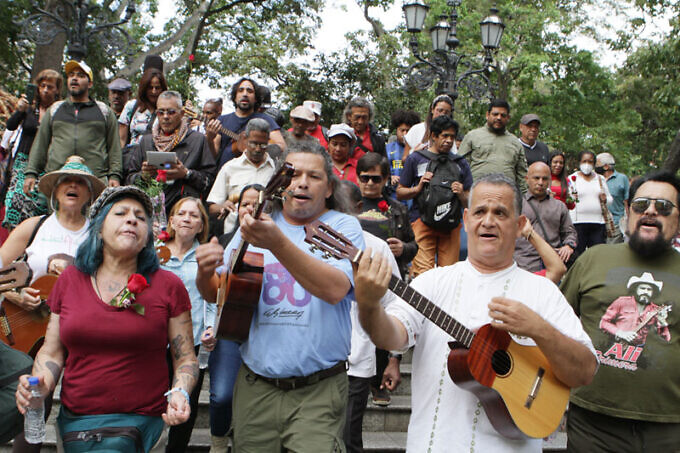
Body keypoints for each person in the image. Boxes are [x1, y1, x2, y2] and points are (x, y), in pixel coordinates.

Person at [354, 173, 598, 453]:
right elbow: (391, 337)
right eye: (480, 211)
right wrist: (369, 304)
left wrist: (539, 329)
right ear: (466, 220)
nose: (489, 221)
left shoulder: (542, 291)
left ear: (519, 226)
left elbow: (585, 372)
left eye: (500, 213)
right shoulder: (431, 282)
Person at [195, 144, 364, 452]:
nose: (301, 182)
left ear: (328, 188)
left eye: (313, 176)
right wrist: (204, 272)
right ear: (279, 184)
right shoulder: (255, 226)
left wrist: (276, 243)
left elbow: (335, 289)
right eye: (293, 174)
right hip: (255, 386)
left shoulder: (342, 226)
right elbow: (220, 292)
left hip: (319, 389)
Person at [15, 186, 198, 451]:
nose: (132, 219)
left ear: (148, 235)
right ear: (99, 228)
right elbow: (52, 352)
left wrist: (180, 392)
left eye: (141, 217)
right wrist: (41, 385)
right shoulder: (69, 280)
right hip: (77, 426)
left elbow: (185, 357)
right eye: (121, 213)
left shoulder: (169, 285)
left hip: (143, 425)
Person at [560, 171, 680, 452]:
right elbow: (555, 326)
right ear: (627, 211)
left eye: (663, 207)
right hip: (593, 424)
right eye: (641, 205)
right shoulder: (593, 258)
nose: (650, 211)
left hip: (669, 428)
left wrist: (661, 324)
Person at [0, 156, 104, 453]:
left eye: (80, 182)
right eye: (66, 181)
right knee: (32, 399)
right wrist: (18, 296)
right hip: (25, 328)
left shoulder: (99, 235)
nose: (73, 185)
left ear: (88, 194)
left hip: (79, 329)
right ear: (55, 190)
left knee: (79, 400)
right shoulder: (34, 226)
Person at [335, 180, 401, 453]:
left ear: (359, 209)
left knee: (349, 437)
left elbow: (396, 303)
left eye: (342, 209)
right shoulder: (311, 243)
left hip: (357, 360)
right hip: (314, 361)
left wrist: (394, 358)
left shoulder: (377, 250)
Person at [161, 197, 217, 452]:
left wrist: (212, 327)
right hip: (155, 343)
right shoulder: (154, 253)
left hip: (192, 343)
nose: (186, 219)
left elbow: (214, 298)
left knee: (185, 408)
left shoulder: (205, 256)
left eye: (194, 216)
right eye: (181, 214)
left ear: (201, 225)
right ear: (171, 220)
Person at [207, 184, 261, 450]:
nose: (249, 209)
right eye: (245, 204)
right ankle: (218, 441)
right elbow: (211, 289)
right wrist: (209, 325)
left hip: (262, 330)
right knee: (221, 395)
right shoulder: (223, 239)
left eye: (256, 204)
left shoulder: (278, 244)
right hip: (227, 328)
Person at [23, 60, 122, 194]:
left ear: (90, 83)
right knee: (57, 215)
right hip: (57, 180)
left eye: (81, 76)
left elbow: (114, 147)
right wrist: (31, 173)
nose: (74, 78)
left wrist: (114, 175)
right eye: (71, 75)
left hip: (94, 182)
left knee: (93, 215)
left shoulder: (104, 111)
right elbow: (40, 143)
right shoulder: (54, 110)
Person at [397, 115, 472, 276]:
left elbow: (469, 202)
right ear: (433, 136)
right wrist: (417, 189)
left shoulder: (460, 163)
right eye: (444, 136)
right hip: (422, 222)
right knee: (422, 274)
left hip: (451, 226)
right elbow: (400, 192)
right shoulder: (415, 158)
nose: (449, 140)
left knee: (449, 276)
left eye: (452, 136)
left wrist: (461, 195)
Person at [126, 91, 216, 214]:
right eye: (160, 112)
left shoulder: (197, 140)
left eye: (171, 112)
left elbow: (209, 182)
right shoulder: (147, 141)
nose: (165, 116)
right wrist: (143, 176)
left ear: (182, 114)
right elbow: (129, 180)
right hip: (151, 211)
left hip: (184, 213)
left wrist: (186, 174)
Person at [2, 69, 62, 230]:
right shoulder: (30, 108)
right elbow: (11, 125)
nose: (45, 90)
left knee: (37, 207)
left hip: (44, 166)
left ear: (57, 89)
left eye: (50, 87)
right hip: (22, 161)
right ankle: (12, 239)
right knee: (14, 202)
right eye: (42, 86)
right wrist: (20, 110)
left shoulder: (60, 113)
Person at [206, 118, 276, 235]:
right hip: (232, 235)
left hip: (265, 236)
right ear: (245, 139)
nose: (258, 149)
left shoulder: (275, 169)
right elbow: (212, 208)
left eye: (263, 145)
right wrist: (222, 207)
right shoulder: (230, 167)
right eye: (253, 143)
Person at [356, 152, 417, 280]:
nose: (370, 183)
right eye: (365, 178)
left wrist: (403, 248)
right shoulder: (346, 208)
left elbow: (413, 245)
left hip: (389, 278)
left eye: (376, 179)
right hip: (353, 273)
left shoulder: (398, 209)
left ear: (385, 179)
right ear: (357, 178)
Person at [514, 162, 577, 273]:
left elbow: (569, 232)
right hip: (522, 264)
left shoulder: (559, 206)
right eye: (536, 178)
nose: (540, 183)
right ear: (527, 179)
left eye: (545, 179)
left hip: (551, 266)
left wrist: (568, 246)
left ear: (550, 181)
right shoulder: (515, 205)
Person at [208, 77, 285, 168]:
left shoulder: (266, 120)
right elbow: (213, 155)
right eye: (241, 90)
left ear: (255, 98)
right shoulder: (222, 120)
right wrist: (209, 138)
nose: (245, 94)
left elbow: (281, 146)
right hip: (226, 174)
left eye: (249, 91)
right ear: (235, 97)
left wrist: (257, 147)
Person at [458, 99, 528, 193]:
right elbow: (460, 167)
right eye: (495, 114)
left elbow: (522, 176)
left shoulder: (515, 143)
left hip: (505, 195)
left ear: (508, 118)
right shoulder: (472, 136)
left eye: (503, 115)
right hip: (476, 194)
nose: (499, 118)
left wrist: (526, 200)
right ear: (487, 115)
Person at [568, 150, 612, 256]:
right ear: (579, 162)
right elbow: (567, 200)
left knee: (598, 256)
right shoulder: (572, 179)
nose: (587, 164)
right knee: (577, 256)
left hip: (598, 224)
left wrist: (605, 199)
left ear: (594, 164)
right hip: (578, 224)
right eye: (584, 161)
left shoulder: (600, 179)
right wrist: (572, 198)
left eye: (590, 162)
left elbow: (610, 199)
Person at [118, 68, 168, 148]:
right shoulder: (132, 106)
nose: (153, 91)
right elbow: (121, 140)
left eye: (157, 88)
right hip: (132, 154)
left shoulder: (167, 111)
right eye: (150, 88)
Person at [596, 152, 629, 243]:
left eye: (597, 164)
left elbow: (627, 202)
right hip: (598, 223)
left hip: (616, 223)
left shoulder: (622, 179)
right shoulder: (595, 179)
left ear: (606, 166)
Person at [385, 110, 420, 189]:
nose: (405, 134)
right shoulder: (387, 149)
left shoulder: (419, 149)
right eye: (402, 130)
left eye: (408, 131)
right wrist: (390, 177)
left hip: (412, 194)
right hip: (391, 194)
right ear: (397, 130)